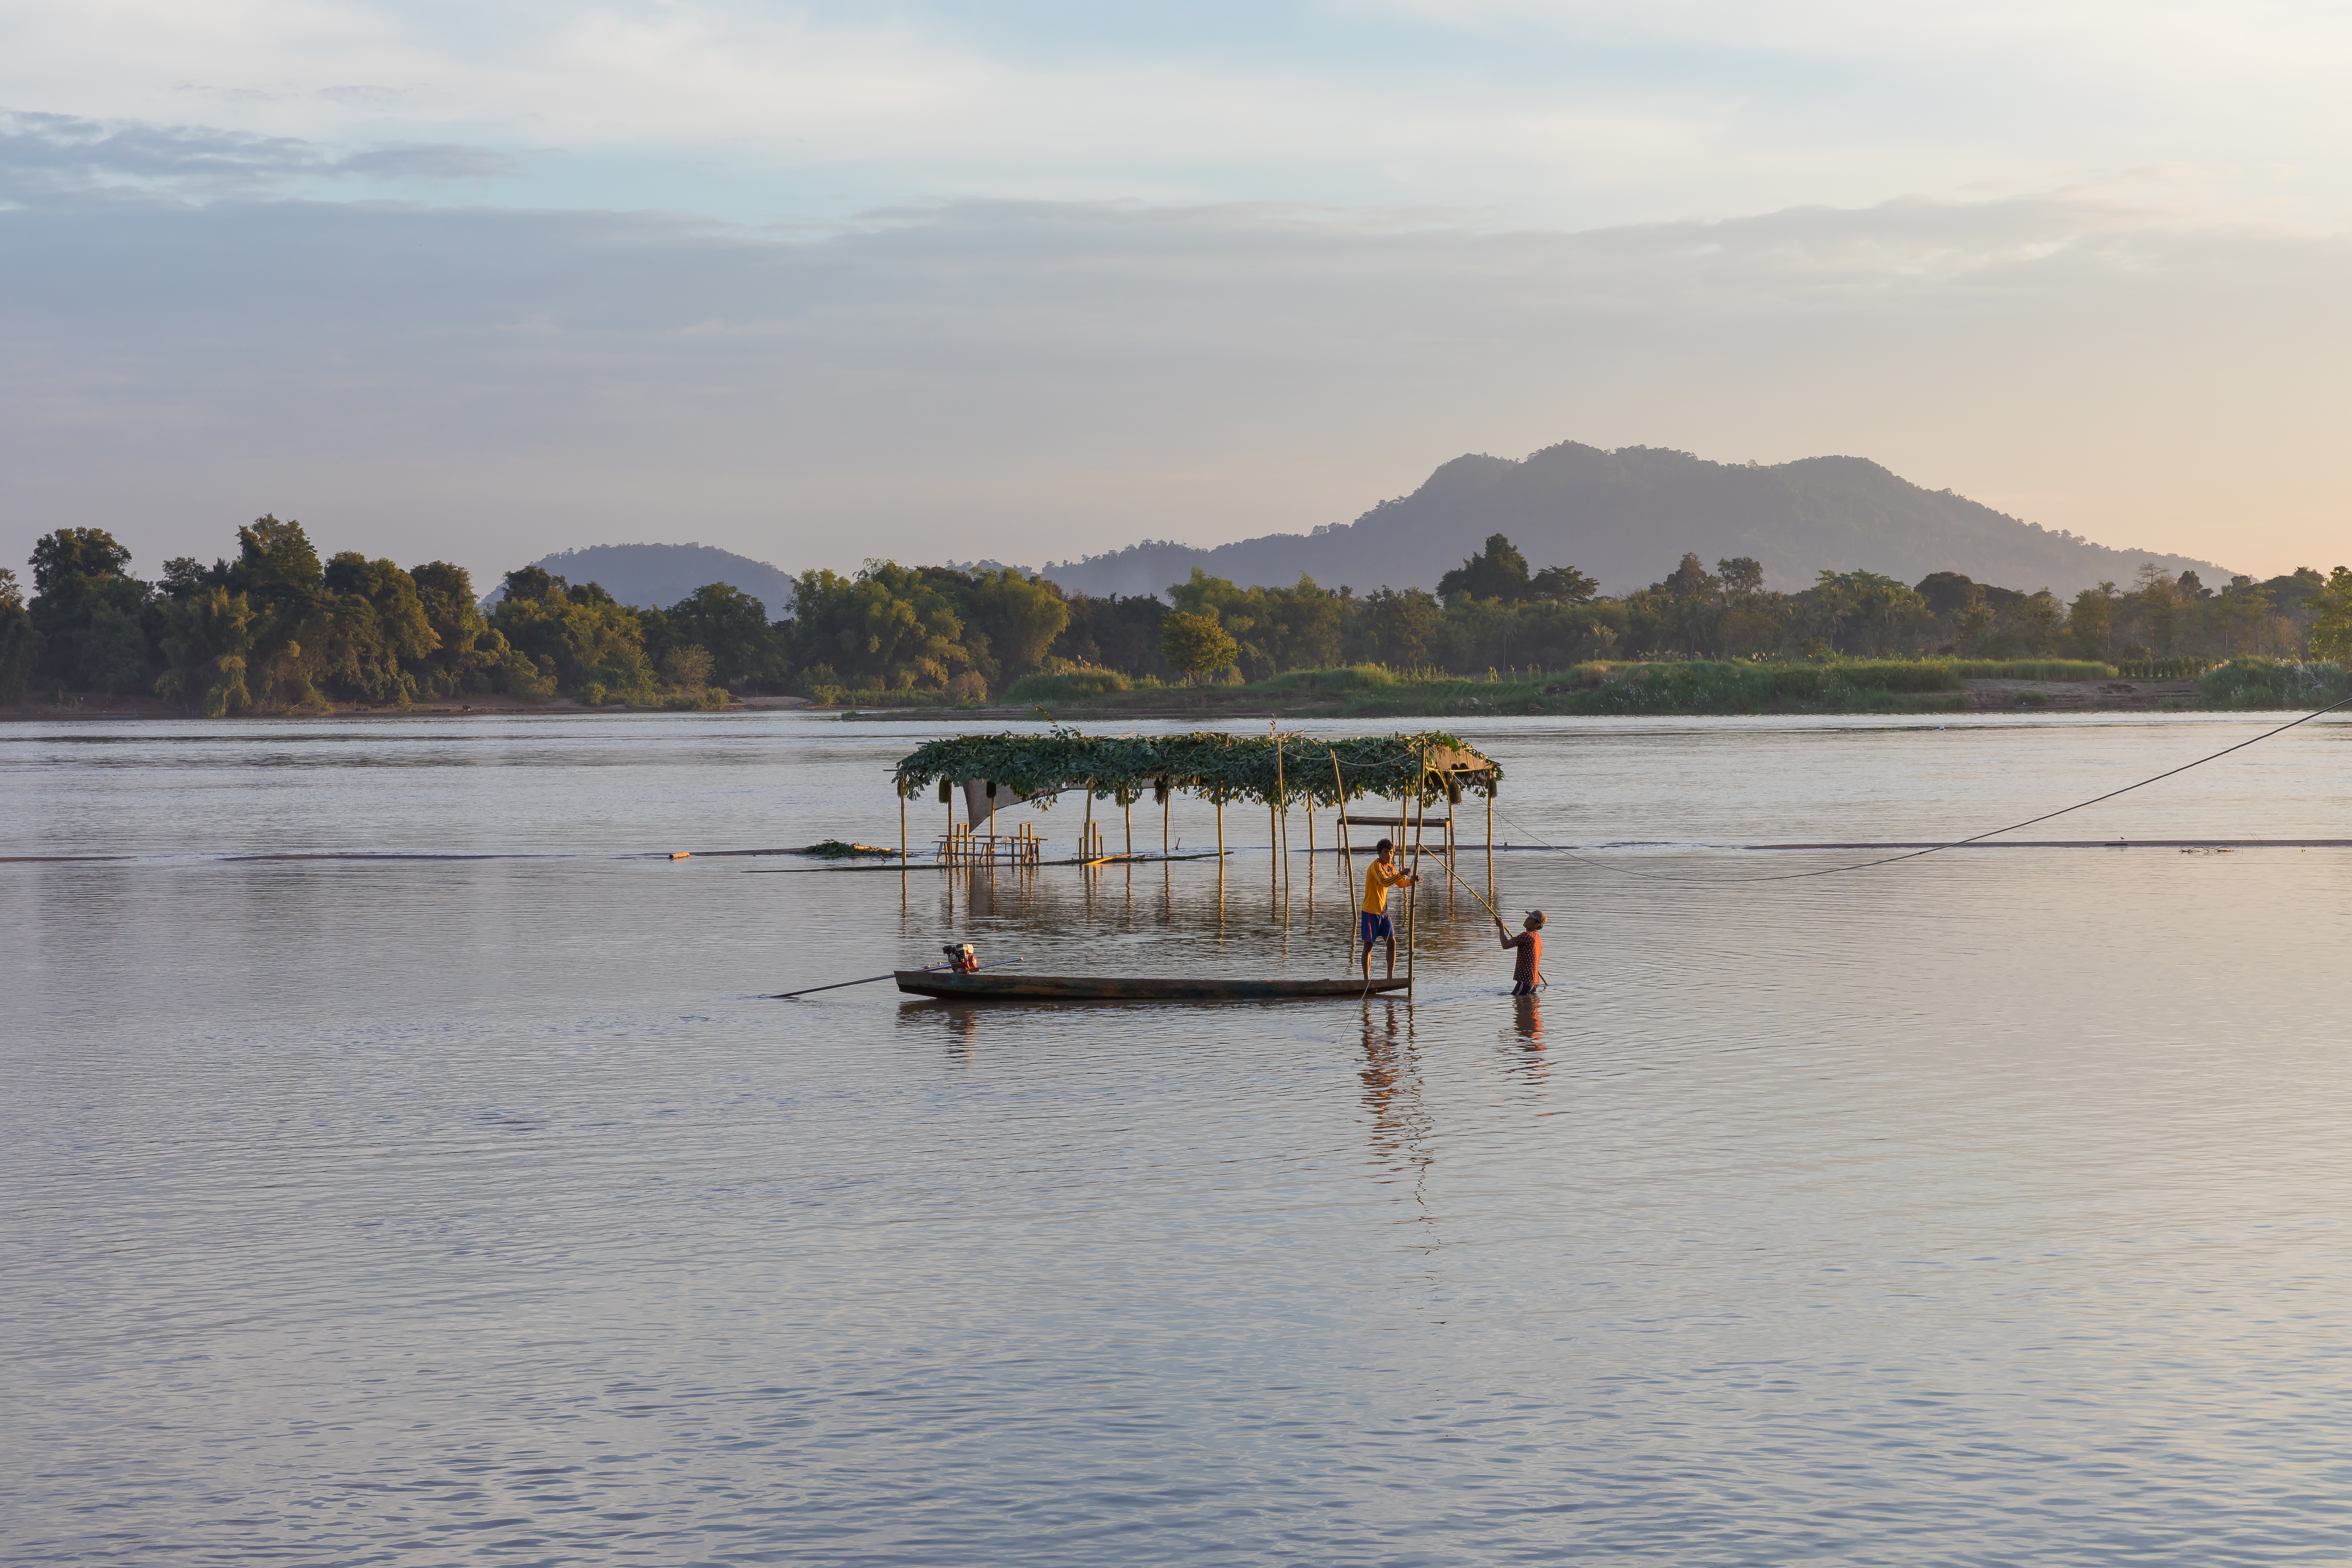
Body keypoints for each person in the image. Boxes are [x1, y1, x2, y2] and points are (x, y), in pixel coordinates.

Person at [1358, 838, 1419, 980]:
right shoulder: (1376, 867)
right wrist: (1402, 874)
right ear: (1379, 853)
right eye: (1386, 852)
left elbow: (1400, 883)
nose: (1389, 855)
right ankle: (1366, 980)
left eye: (1391, 852)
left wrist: (1412, 881)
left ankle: (1389, 978)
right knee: (1369, 946)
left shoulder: (1391, 867)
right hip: (1370, 911)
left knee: (1392, 942)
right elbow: (1384, 882)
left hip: (1384, 912)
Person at [1493, 910, 1544, 995]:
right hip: (1534, 982)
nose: (1527, 919)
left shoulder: (1526, 936)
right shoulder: (1538, 939)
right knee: (1526, 1006)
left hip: (1525, 981)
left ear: (1536, 925)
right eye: (1528, 917)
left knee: (1515, 1000)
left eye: (1530, 919)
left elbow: (1505, 945)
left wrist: (1501, 927)